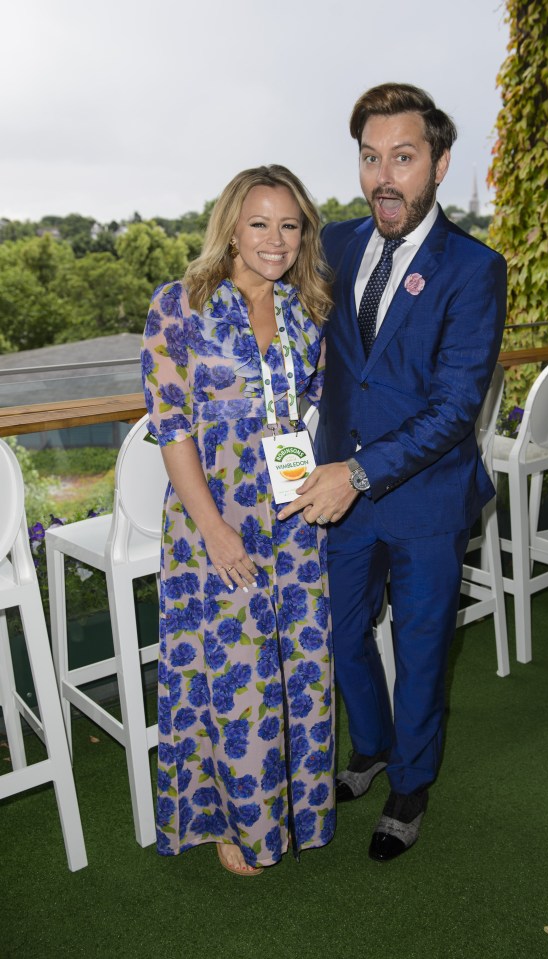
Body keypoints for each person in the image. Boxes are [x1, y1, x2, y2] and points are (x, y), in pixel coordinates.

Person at [278, 83, 507, 862]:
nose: (384, 176)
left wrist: (358, 472)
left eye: (402, 157)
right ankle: (369, 748)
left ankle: (410, 783)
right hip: (340, 497)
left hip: (426, 498)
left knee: (420, 648)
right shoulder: (336, 244)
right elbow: (262, 278)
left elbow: (453, 409)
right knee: (342, 637)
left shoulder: (474, 269)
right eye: (371, 158)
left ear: (439, 163)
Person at [141, 165, 335, 877]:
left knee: (298, 669)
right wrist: (216, 529)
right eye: (260, 223)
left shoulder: (304, 309)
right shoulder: (180, 305)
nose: (276, 239)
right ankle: (233, 819)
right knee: (232, 674)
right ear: (231, 225)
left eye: (290, 225)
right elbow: (172, 428)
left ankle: (291, 811)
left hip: (292, 514)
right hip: (214, 517)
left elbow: (307, 408)